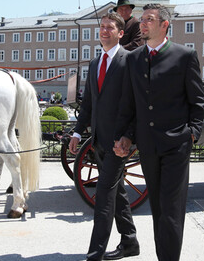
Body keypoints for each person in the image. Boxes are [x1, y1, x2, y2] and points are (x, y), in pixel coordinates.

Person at [113, 4, 204, 261]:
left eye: (149, 20)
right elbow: (129, 104)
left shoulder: (184, 56)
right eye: (142, 20)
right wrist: (125, 135)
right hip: (149, 146)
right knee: (157, 208)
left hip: (177, 144)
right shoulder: (133, 59)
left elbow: (197, 101)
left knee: (171, 210)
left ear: (164, 25)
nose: (142, 24)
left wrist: (192, 134)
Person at [70, 13, 139, 261]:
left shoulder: (130, 60)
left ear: (121, 33)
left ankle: (95, 254)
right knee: (118, 191)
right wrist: (78, 132)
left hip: (119, 143)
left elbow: (137, 104)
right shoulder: (95, 63)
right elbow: (89, 102)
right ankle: (130, 242)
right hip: (98, 140)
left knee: (105, 195)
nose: (104, 30)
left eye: (110, 27)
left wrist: (129, 136)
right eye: (102, 27)